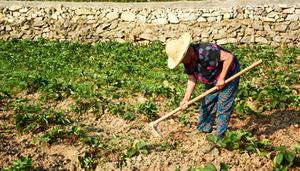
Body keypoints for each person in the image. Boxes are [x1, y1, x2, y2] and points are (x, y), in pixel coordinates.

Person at [165, 33, 240, 139]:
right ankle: (203, 129)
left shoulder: (206, 51)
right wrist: (186, 99)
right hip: (211, 78)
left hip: (228, 75)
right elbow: (192, 79)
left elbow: (229, 57)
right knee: (207, 102)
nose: (181, 62)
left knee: (224, 105)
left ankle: (219, 137)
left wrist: (222, 78)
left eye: (181, 59)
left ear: (188, 52)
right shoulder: (187, 62)